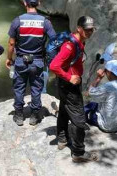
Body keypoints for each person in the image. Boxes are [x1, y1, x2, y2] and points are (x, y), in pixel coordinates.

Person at [49, 16, 98, 163]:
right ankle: (78, 152)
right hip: (69, 84)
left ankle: (62, 139)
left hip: (66, 84)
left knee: (64, 109)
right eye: (87, 29)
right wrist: (69, 77)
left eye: (92, 29)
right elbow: (53, 66)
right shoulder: (70, 46)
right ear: (79, 28)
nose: (90, 32)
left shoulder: (78, 42)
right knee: (79, 118)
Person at [6, 0, 56, 126]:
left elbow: (11, 43)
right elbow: (54, 41)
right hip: (38, 61)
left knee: (19, 88)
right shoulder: (45, 22)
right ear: (38, 4)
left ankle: (19, 115)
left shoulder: (18, 21)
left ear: (25, 4)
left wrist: (9, 59)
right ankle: (34, 116)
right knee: (36, 88)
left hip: (21, 61)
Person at [84, 59, 117, 134]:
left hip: (108, 126)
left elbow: (89, 93)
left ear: (109, 72)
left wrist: (99, 78)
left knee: (90, 105)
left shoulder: (108, 86)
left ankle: (82, 120)